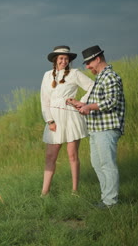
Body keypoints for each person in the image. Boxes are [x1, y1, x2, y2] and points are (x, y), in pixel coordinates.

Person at [67, 45, 126, 208]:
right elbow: (98, 102)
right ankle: (106, 198)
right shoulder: (101, 77)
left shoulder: (111, 77)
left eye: (88, 63)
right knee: (97, 164)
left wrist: (89, 107)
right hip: (95, 129)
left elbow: (111, 101)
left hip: (106, 129)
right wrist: (81, 104)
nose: (87, 67)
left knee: (107, 164)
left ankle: (111, 202)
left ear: (97, 59)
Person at [40, 45, 94, 197]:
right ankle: (45, 192)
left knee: (72, 155)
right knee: (50, 156)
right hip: (54, 118)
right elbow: (44, 99)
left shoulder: (75, 73)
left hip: (70, 116)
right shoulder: (47, 75)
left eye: (66, 58)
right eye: (61, 58)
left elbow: (92, 86)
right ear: (55, 60)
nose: (64, 61)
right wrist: (49, 120)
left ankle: (75, 191)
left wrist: (81, 102)